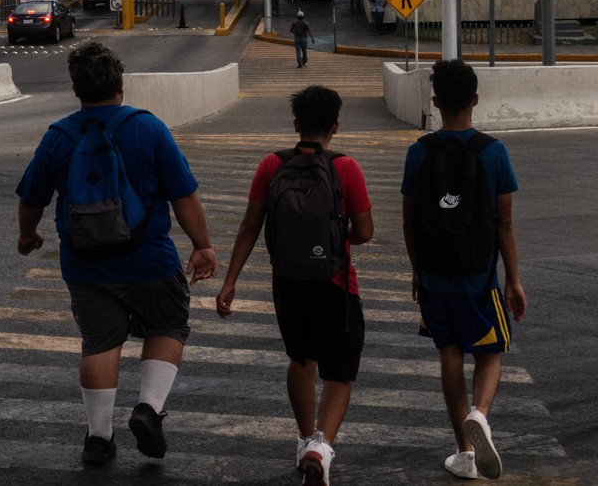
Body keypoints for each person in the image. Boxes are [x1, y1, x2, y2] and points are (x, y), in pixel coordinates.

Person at [16, 41, 218, 466]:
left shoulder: (58, 136)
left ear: (76, 89)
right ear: (121, 85)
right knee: (167, 323)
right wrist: (202, 245)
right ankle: (148, 408)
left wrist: (28, 234)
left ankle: (99, 436)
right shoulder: (149, 128)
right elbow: (184, 196)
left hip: (85, 264)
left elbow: (32, 196)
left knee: (100, 341)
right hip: (150, 258)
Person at [216, 86, 374, 486]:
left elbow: (250, 226)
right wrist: (335, 235)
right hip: (336, 284)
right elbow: (367, 232)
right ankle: (323, 446)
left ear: (296, 125)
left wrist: (230, 282)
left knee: (301, 359)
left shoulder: (272, 165)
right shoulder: (346, 168)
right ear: (335, 126)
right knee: (339, 372)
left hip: (287, 284)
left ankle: (305, 440)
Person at [401, 60, 526, 481]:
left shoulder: (419, 152)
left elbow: (410, 219)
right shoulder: (494, 152)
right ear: (475, 99)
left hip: (435, 277)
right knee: (491, 352)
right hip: (479, 280)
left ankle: (465, 453)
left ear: (435, 102)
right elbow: (504, 223)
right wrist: (513, 279)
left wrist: (418, 270)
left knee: (449, 355)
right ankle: (481, 413)